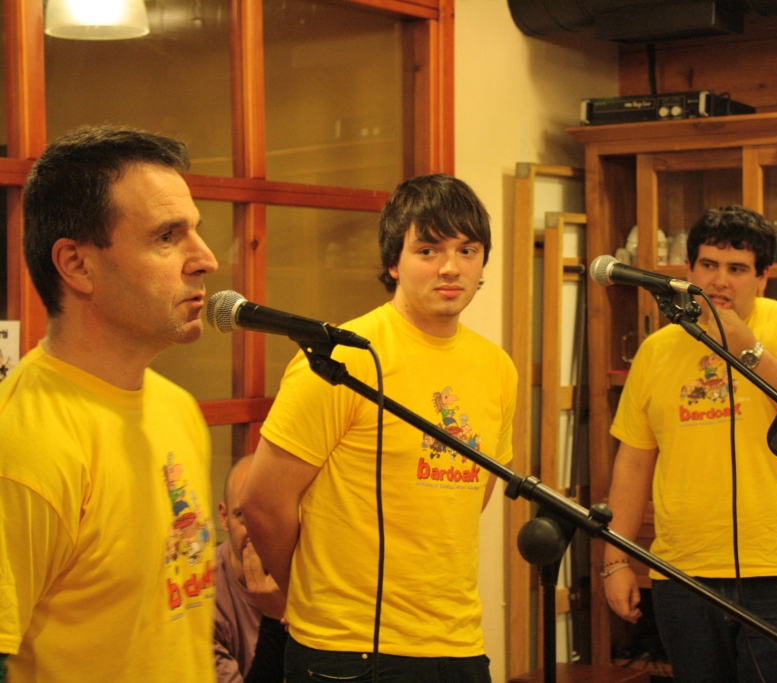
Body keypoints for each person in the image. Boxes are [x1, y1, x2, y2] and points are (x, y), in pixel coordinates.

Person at [240, 173, 516, 683]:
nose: (451, 267)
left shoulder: (497, 367)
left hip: (458, 641)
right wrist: (302, 591)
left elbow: (472, 493)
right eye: (428, 250)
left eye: (467, 250)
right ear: (394, 262)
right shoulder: (342, 358)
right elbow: (262, 501)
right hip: (346, 647)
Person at [0, 126, 220, 682]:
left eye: (195, 231)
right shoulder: (24, 443)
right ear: (77, 265)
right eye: (167, 237)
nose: (206, 259)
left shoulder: (177, 408)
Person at [602, 206, 777, 683]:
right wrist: (616, 562)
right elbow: (632, 465)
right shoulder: (657, 349)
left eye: (737, 269)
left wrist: (749, 350)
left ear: (762, 278)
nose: (719, 281)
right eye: (709, 265)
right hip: (682, 573)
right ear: (688, 271)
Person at [215, 455, 287, 683]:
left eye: (272, 515)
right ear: (224, 517)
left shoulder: (308, 574)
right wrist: (274, 620)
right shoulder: (204, 595)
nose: (258, 532)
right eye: (244, 517)